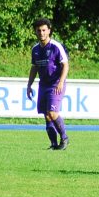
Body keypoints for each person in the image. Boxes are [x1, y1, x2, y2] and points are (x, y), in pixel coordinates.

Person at [27, 18, 70, 150]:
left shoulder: (56, 47)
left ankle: (64, 138)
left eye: (44, 30)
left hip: (56, 84)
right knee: (47, 115)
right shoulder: (35, 49)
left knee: (52, 112)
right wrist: (29, 85)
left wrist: (61, 82)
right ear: (35, 32)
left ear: (49, 31)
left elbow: (65, 65)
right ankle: (53, 144)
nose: (41, 33)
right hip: (43, 85)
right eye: (38, 30)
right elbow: (34, 67)